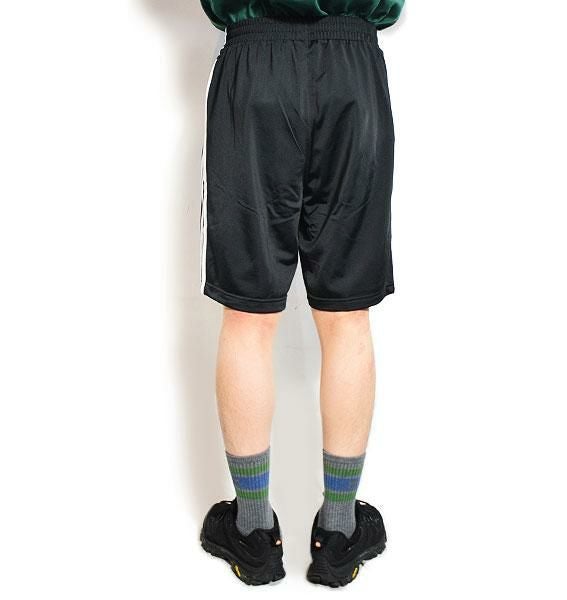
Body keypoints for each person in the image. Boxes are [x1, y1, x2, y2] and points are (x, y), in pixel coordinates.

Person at [197, 0, 404, 587]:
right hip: (352, 66)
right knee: (347, 314)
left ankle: (252, 531)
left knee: (248, 313)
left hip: (255, 64)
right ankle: (340, 532)